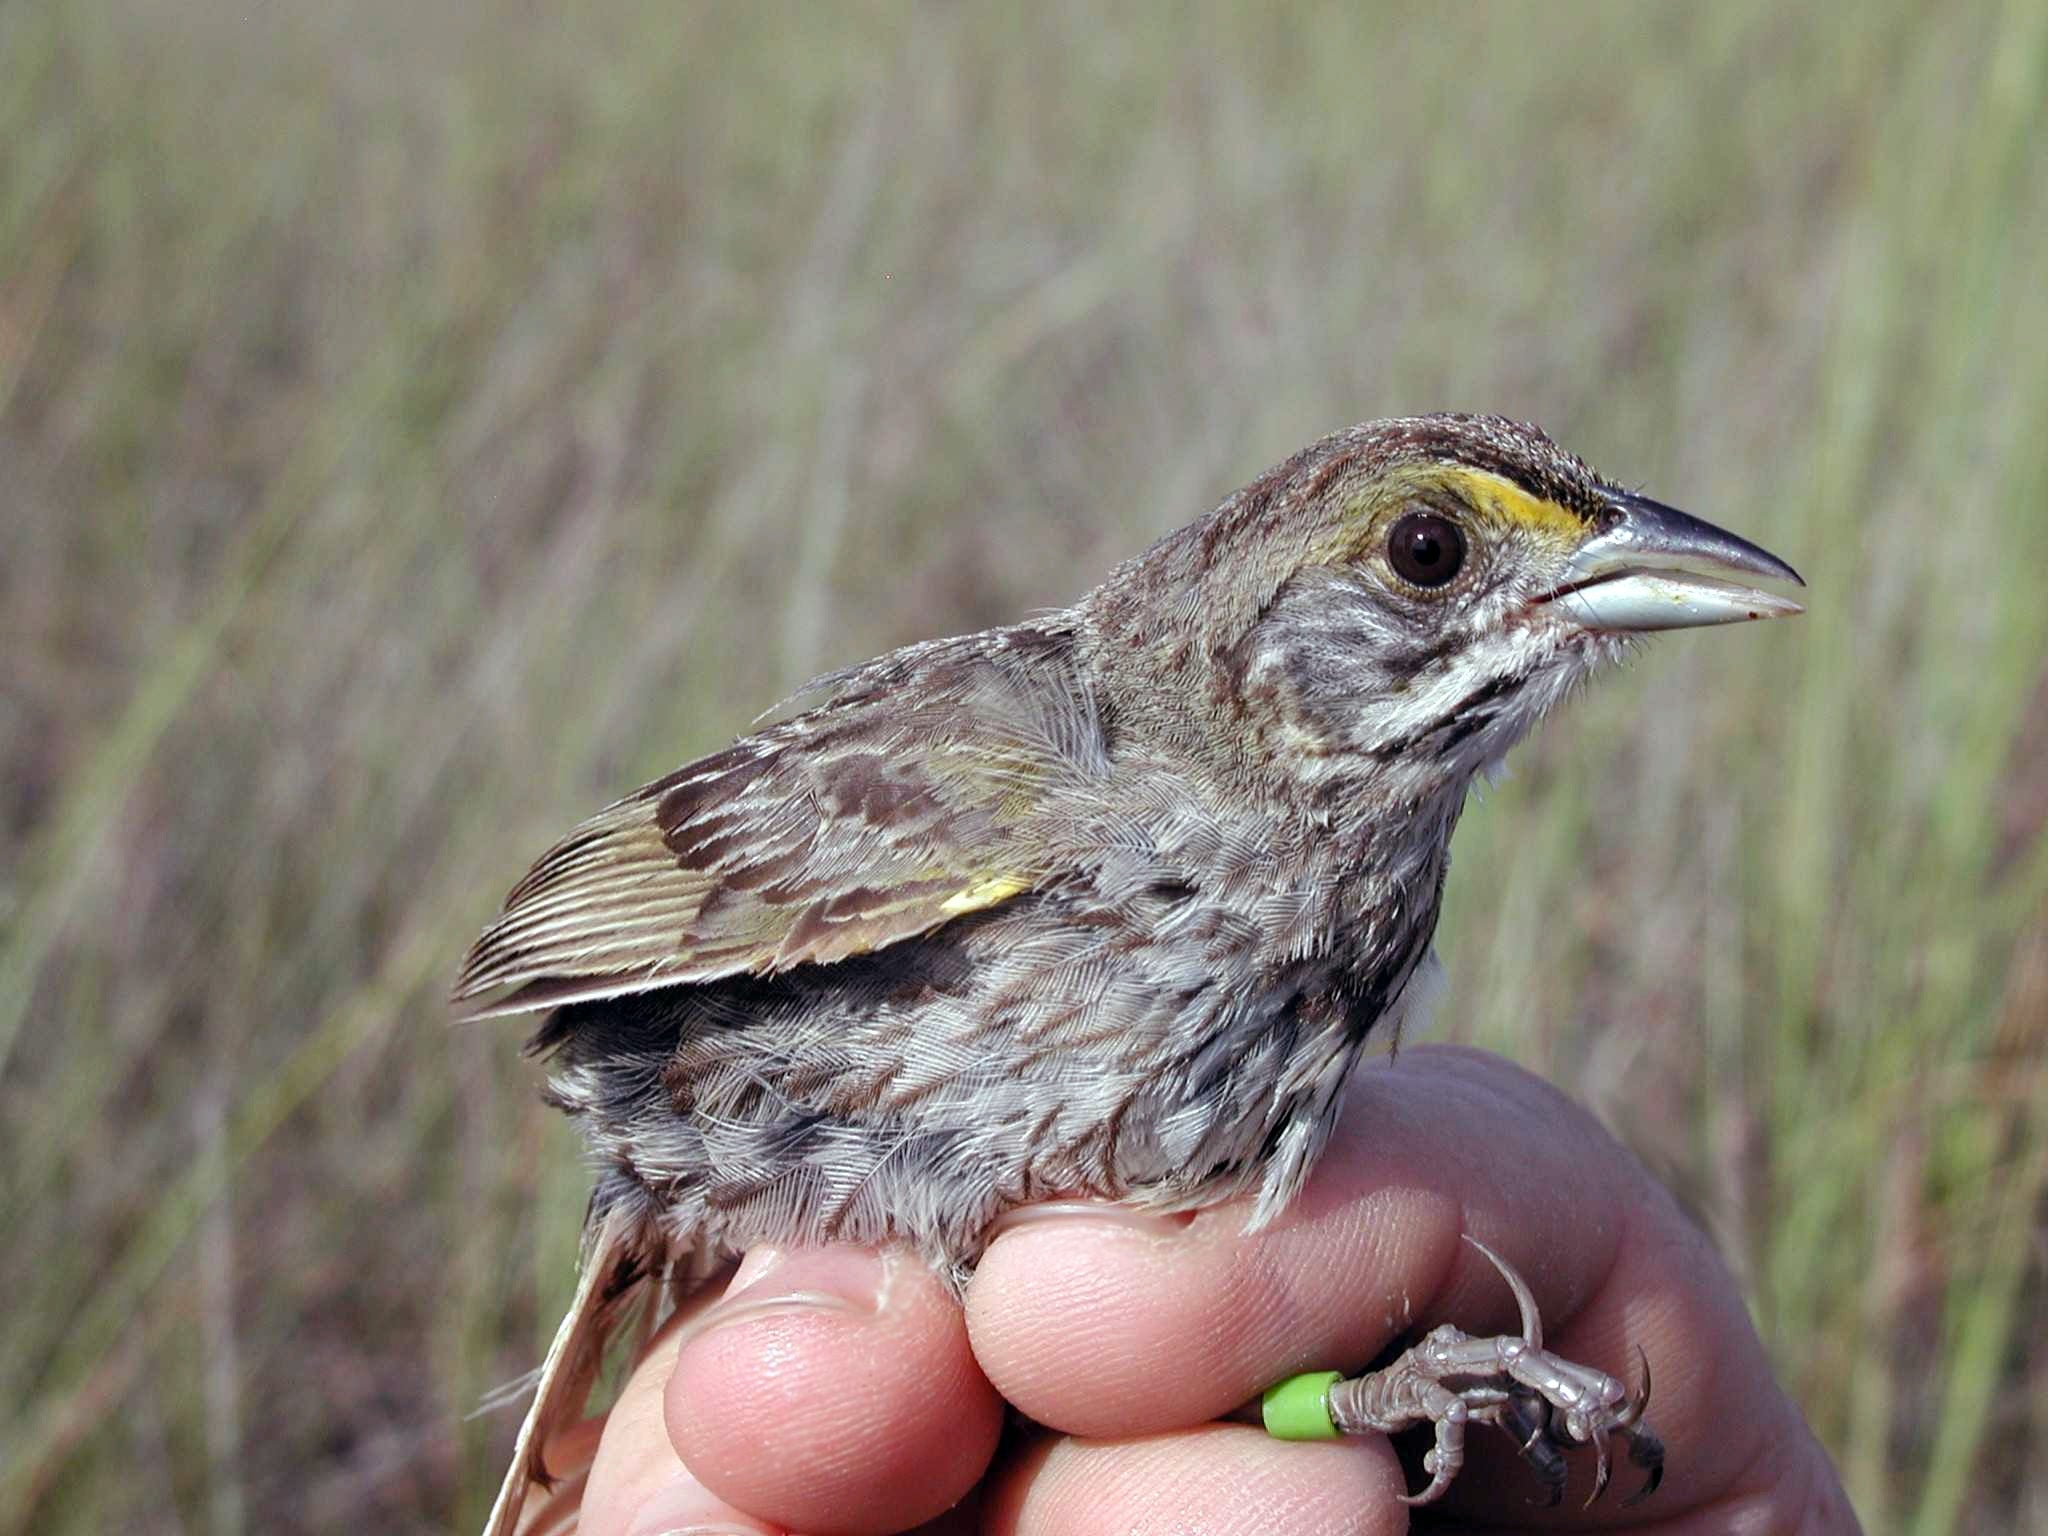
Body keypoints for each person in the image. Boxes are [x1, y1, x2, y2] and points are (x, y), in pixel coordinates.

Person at [517, 1047, 1859, 1534]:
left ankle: (1349, 1397)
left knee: (1154, 1366)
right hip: (757, 1178)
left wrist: (1379, 1391)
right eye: (1434, 564)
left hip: (1091, 1385)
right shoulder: (1036, 769)